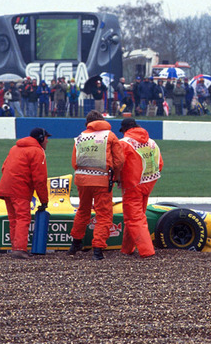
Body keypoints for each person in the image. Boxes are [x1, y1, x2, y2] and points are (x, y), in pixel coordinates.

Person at [67, 110, 125, 260]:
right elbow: (119, 160)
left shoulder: (81, 137)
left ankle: (75, 244)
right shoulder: (110, 136)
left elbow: (74, 162)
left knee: (82, 210)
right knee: (104, 215)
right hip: (102, 180)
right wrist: (116, 176)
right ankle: (98, 250)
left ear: (88, 123)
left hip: (81, 180)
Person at [0, 127, 51, 259]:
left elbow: (4, 167)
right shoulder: (37, 151)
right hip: (20, 190)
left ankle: (15, 247)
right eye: (47, 138)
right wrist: (44, 200)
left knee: (13, 219)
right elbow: (40, 179)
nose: (48, 141)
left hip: (6, 188)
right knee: (22, 218)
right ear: (41, 138)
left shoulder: (14, 148)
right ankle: (20, 249)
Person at [118, 118, 163, 258]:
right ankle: (127, 249)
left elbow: (118, 164)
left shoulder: (124, 143)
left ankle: (147, 251)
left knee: (134, 219)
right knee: (134, 216)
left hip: (133, 185)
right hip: (149, 183)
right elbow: (159, 163)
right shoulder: (151, 142)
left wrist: (115, 179)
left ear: (125, 130)